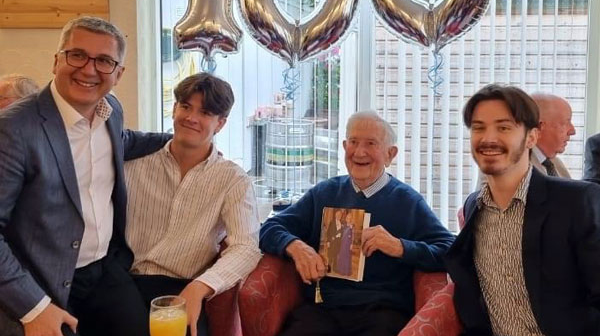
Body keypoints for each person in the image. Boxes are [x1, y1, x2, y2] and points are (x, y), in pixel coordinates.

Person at [0, 16, 170, 336]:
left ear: (119, 74)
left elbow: (124, 142)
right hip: (39, 285)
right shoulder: (13, 130)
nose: (89, 69)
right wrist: (33, 307)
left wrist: (178, 141)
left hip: (104, 269)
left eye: (104, 61)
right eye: (77, 55)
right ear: (56, 61)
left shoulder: (111, 110)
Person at [260, 110, 455, 336]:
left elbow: (450, 249)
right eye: (353, 142)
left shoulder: (407, 201)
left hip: (381, 312)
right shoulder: (324, 193)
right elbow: (269, 228)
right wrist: (295, 246)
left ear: (390, 154)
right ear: (344, 147)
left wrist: (400, 247)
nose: (359, 152)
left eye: (371, 143)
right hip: (323, 308)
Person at [445, 84, 600, 335]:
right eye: (479, 127)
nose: (488, 138)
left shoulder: (576, 201)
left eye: (504, 127)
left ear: (531, 136)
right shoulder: (474, 207)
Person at [125, 73, 261, 336]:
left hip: (182, 287)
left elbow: (246, 248)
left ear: (220, 123)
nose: (192, 118)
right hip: (122, 282)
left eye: (206, 112)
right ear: (175, 108)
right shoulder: (133, 164)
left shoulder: (232, 179)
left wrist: (201, 286)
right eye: (186, 106)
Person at [530, 92, 575, 178]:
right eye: (565, 123)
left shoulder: (556, 164)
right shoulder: (520, 167)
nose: (572, 131)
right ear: (539, 127)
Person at [336, 211, 354, 277]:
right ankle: (340, 270)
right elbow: (340, 233)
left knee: (347, 257)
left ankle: (346, 271)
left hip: (348, 244)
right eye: (347, 218)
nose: (348, 219)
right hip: (343, 243)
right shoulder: (344, 225)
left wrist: (352, 244)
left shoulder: (352, 226)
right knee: (341, 256)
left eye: (349, 218)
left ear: (351, 219)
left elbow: (353, 236)